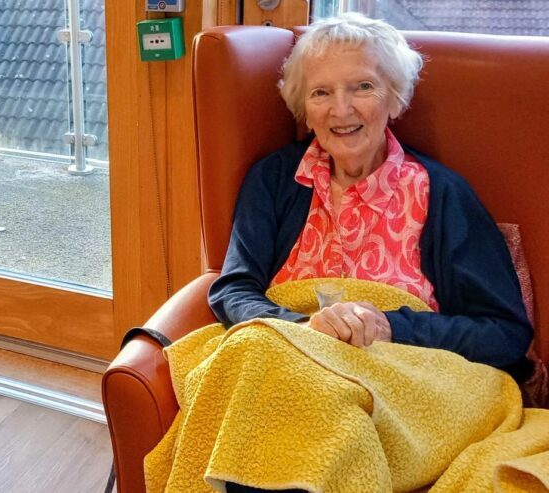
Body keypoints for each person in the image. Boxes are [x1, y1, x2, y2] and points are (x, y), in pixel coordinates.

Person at [149, 13, 535, 493]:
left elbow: (505, 332)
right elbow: (234, 286)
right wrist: (300, 332)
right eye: (321, 93)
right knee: (259, 353)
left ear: (394, 98)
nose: (341, 110)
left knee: (270, 368)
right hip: (285, 355)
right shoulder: (272, 181)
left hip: (403, 373)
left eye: (362, 87)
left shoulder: (442, 194)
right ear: (303, 108)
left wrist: (391, 324)